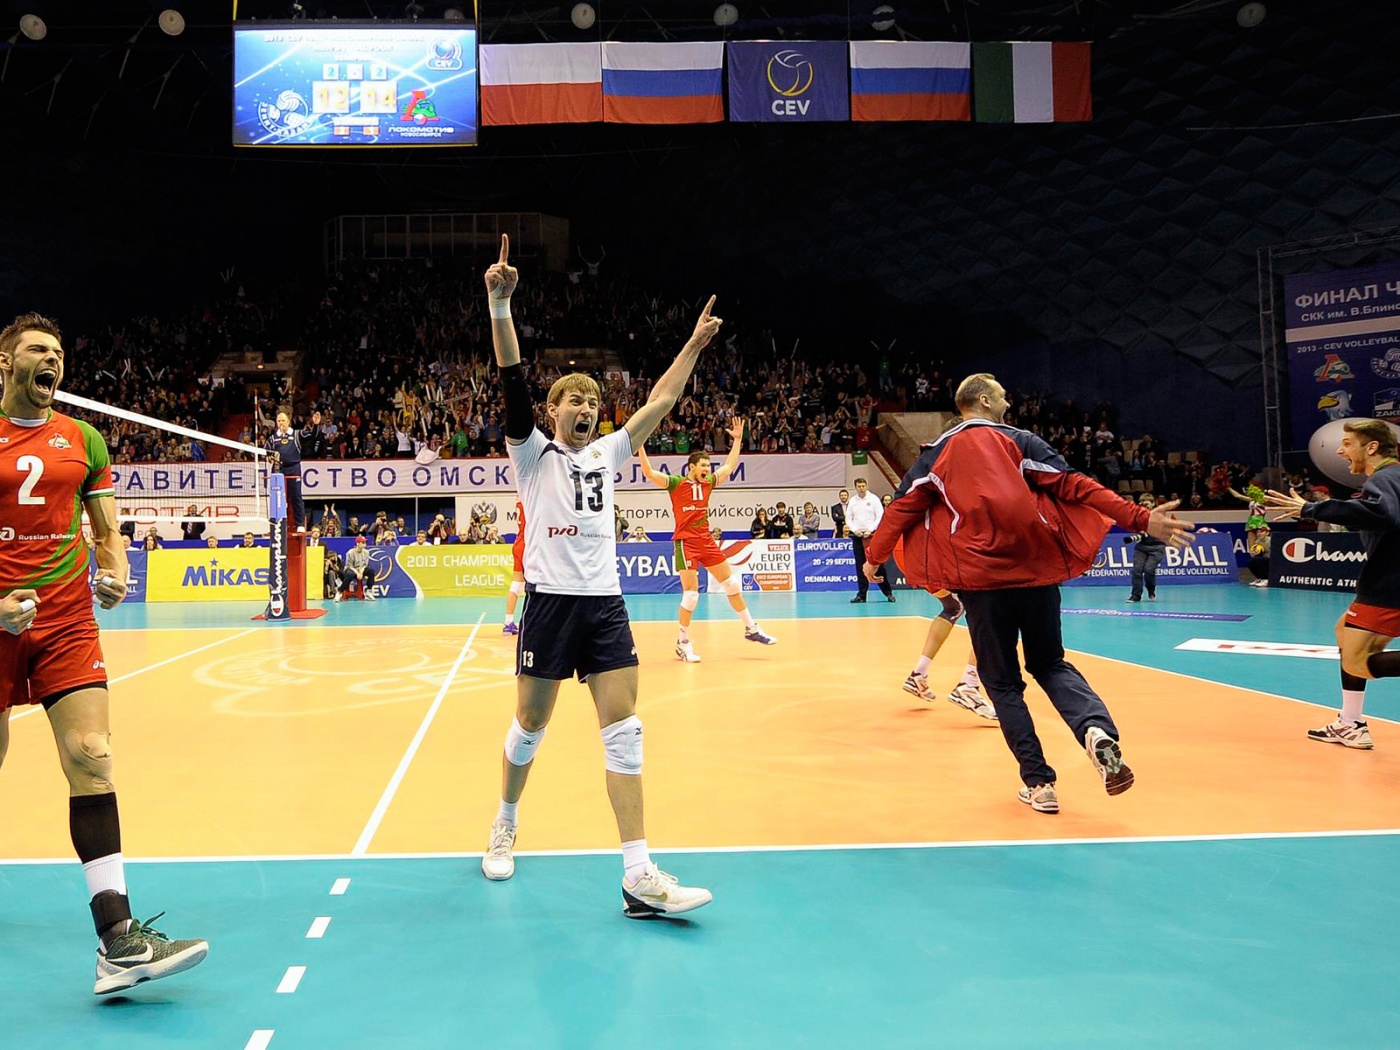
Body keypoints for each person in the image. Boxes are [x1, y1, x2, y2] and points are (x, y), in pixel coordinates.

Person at [479, 236, 715, 916]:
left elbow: (663, 402)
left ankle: (638, 876)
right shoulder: (531, 454)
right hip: (550, 607)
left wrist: (694, 344)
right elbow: (511, 380)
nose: (584, 407)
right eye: (571, 401)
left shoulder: (609, 452)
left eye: (591, 400)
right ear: (551, 415)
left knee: (626, 732)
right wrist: (501, 306)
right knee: (529, 726)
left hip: (605, 606)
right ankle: (505, 820)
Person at [864, 373, 1193, 813]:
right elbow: (1078, 485)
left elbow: (902, 510)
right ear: (983, 400)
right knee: (1050, 663)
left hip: (982, 585)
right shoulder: (1022, 442)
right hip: (1036, 577)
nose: (1007, 398)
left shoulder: (937, 454)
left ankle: (1040, 784)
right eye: (1000, 393)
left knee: (1002, 684)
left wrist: (873, 558)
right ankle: (1096, 731)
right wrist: (1139, 518)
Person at [0, 312, 208, 994]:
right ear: (7, 363)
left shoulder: (83, 438)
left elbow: (104, 528)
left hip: (64, 620)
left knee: (92, 755)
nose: (50, 359)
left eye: (57, 351)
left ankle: (117, 938)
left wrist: (114, 571)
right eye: (36, 349)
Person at [1267, 419, 1400, 751]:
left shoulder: (1384, 478)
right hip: (1391, 580)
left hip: (1388, 585)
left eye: (1347, 444)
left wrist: (1314, 507)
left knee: (1356, 661)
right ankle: (1350, 722)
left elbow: (1384, 514)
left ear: (1371, 447)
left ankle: (1351, 724)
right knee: (1344, 631)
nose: (1340, 451)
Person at [637, 425, 775, 662]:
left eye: (709, 467)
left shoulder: (709, 483)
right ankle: (682, 643)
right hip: (685, 543)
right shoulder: (676, 484)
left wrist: (738, 440)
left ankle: (751, 628)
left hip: (706, 541)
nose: (707, 470)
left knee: (731, 584)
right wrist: (639, 443)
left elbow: (730, 466)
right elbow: (649, 472)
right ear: (691, 468)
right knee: (691, 596)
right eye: (703, 467)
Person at [847, 478, 892, 603]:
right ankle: (862, 595)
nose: (861, 488)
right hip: (857, 536)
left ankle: (888, 593)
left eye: (863, 485)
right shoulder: (852, 501)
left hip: (872, 536)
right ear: (855, 487)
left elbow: (880, 516)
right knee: (860, 566)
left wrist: (870, 529)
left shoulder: (874, 499)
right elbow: (849, 518)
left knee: (878, 564)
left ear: (866, 486)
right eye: (859, 486)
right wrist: (855, 530)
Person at [265, 409, 306, 531]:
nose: (281, 423)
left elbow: (311, 435)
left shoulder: (296, 434)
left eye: (283, 420)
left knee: (296, 497)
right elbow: (266, 452)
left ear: (288, 421)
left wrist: (314, 425)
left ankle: (300, 524)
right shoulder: (273, 438)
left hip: (294, 468)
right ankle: (276, 523)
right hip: (278, 469)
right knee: (277, 496)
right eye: (278, 421)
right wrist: (269, 457)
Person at [1124, 493, 1166, 603]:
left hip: (1157, 548)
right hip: (1142, 547)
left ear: (1153, 504)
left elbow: (1148, 532)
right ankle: (1135, 595)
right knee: (1136, 571)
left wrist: (1136, 537)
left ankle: (1151, 589)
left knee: (1149, 570)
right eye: (1142, 502)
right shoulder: (1138, 516)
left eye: (1147, 503)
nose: (1144, 505)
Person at [503, 500, 526, 636]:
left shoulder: (519, 503)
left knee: (517, 583)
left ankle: (508, 621)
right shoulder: (531, 500)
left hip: (519, 542)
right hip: (529, 543)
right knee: (535, 583)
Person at [338, 535, 377, 601]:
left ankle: (368, 591)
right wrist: (357, 573)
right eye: (363, 542)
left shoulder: (366, 552)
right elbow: (349, 566)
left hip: (361, 569)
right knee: (350, 575)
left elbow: (365, 565)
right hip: (351, 569)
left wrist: (361, 572)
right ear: (357, 543)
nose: (365, 544)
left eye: (365, 542)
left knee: (371, 571)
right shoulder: (350, 552)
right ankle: (339, 592)